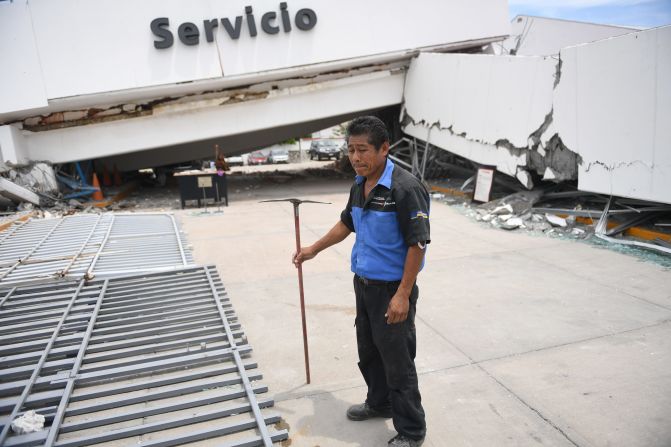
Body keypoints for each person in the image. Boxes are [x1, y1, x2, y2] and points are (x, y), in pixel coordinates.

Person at [293, 116, 430, 447]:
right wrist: (313, 248)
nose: (356, 157)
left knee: (398, 362)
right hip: (364, 284)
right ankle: (379, 402)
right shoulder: (359, 182)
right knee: (369, 351)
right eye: (351, 149)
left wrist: (402, 295)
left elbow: (418, 244)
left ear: (384, 148)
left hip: (392, 290)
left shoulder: (405, 188)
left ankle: (412, 431)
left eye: (363, 150)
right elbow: (347, 223)